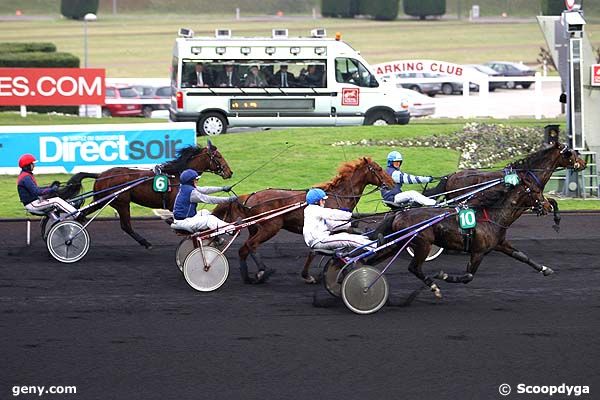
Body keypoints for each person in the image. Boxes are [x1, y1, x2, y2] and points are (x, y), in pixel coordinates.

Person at [303, 188, 376, 251]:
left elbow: (331, 226)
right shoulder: (313, 210)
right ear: (317, 201)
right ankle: (375, 247)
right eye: (323, 200)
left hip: (321, 239)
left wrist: (350, 224)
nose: (324, 202)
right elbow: (332, 214)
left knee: (347, 236)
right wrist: (351, 215)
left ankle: (371, 240)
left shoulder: (315, 211)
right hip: (319, 241)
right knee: (347, 239)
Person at [171, 169, 237, 233]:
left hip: (184, 218)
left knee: (205, 212)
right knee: (210, 219)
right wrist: (228, 199)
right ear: (190, 181)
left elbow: (205, 190)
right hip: (185, 221)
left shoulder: (185, 187)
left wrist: (222, 188)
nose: (197, 181)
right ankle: (231, 230)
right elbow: (209, 199)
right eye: (196, 179)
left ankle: (216, 231)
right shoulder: (192, 193)